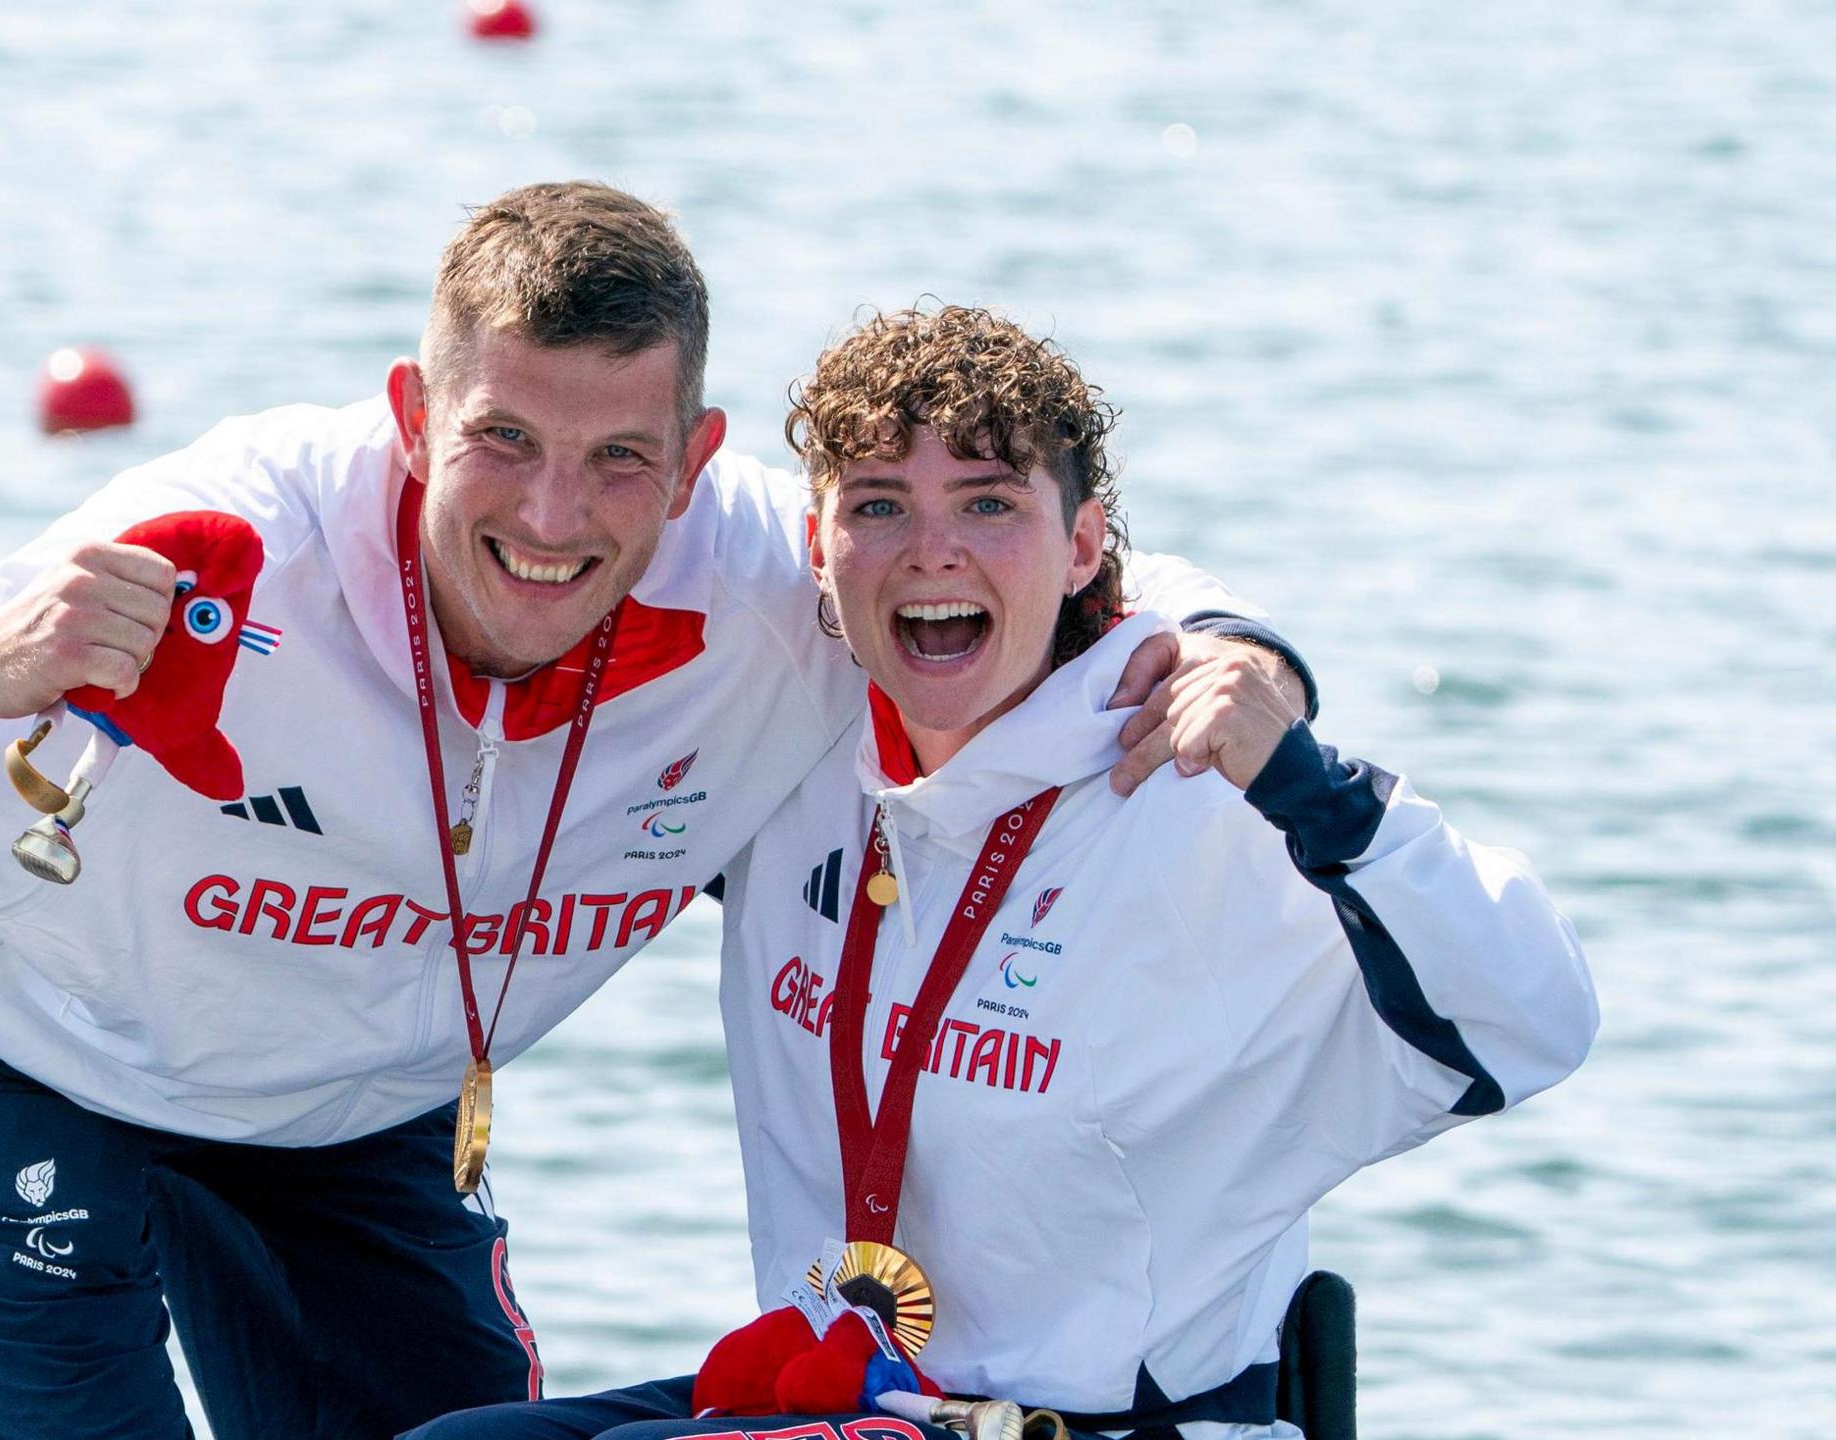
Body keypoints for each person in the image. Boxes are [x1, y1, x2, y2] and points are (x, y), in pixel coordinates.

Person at [0, 186, 1310, 1440]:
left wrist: (1241, 656)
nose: (550, 516)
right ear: (408, 417)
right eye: (502, 442)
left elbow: (1060, 572)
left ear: (697, 462)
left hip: (347, 1104)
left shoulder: (765, 581)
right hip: (8, 1056)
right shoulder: (222, 548)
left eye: (615, 462)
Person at [401, 307, 1596, 1440]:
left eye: (986, 505)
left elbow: (1528, 1022)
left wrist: (1311, 787)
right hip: (840, 1397)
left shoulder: (1189, 788)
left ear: (1082, 549)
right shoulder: (791, 749)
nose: (931, 551)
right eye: (878, 506)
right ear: (818, 549)